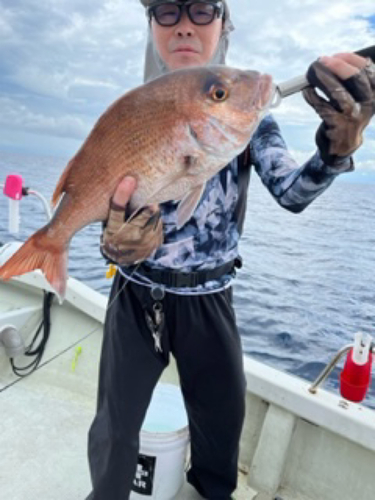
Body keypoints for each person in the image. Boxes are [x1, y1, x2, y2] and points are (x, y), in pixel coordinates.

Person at [86, 2, 375, 499]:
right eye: (167, 10)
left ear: (223, 24)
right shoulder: (130, 116)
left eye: (201, 10)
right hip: (134, 298)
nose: (183, 24)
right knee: (113, 428)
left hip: (210, 298)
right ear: (152, 25)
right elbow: (108, 220)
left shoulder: (247, 113)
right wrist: (113, 248)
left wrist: (337, 149)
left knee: (222, 422)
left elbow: (291, 192)